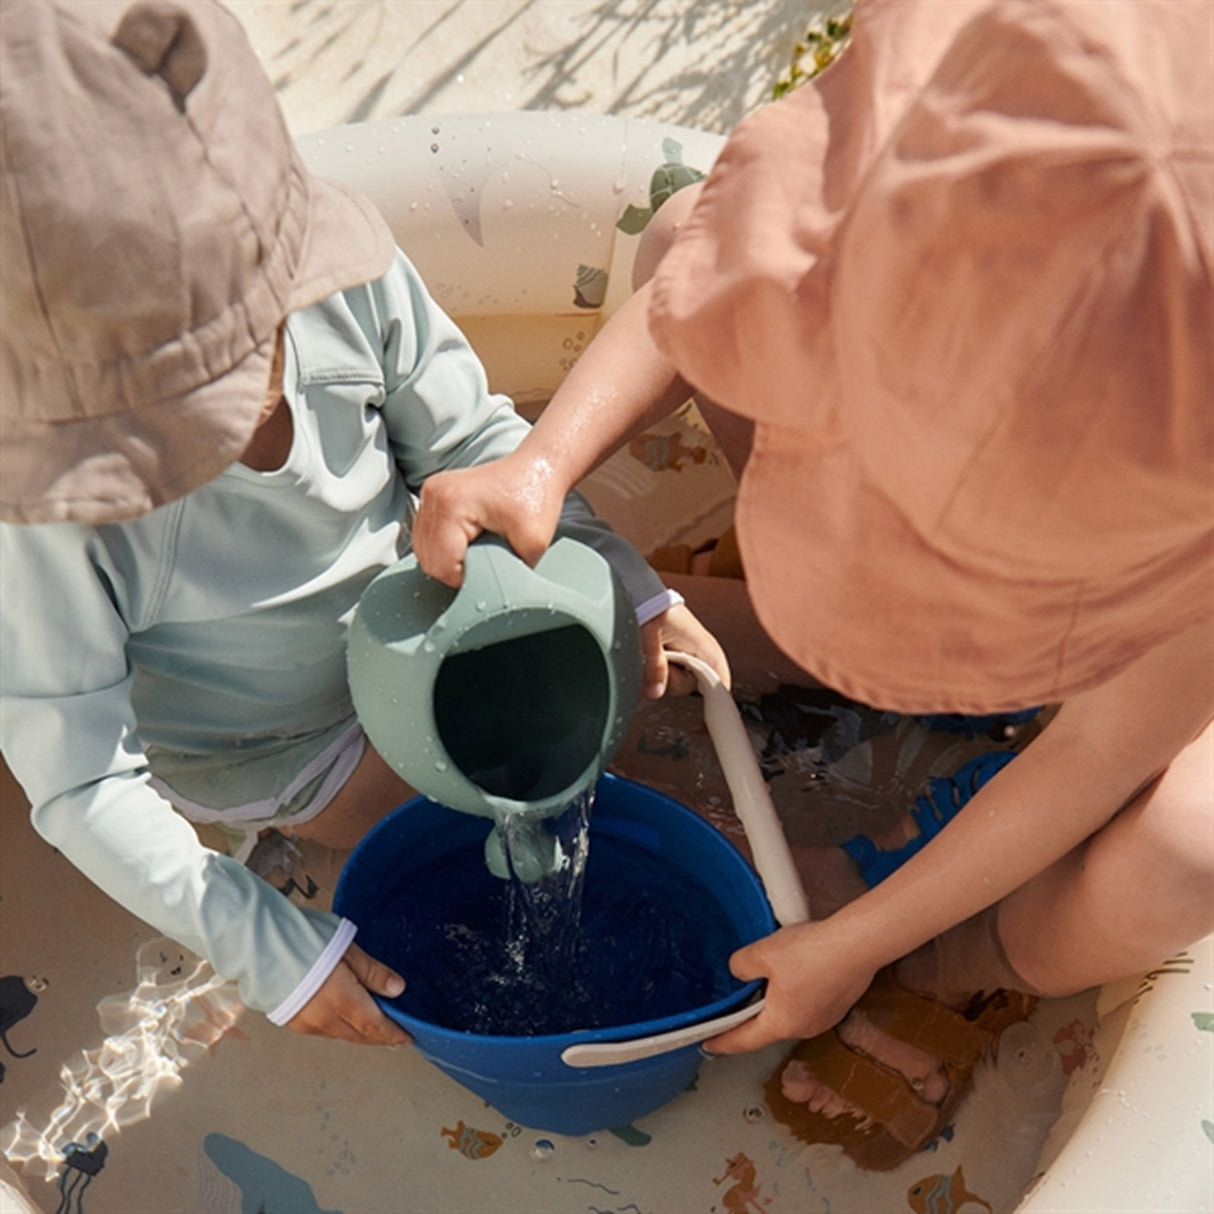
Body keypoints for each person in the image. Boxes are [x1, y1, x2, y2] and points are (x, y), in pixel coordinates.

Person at [410, 0, 1213, 1167]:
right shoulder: (907, 181)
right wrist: (542, 462)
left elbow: (1102, 749)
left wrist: (861, 941)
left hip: (1165, 649)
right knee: (679, 234)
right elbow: (695, 282)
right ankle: (825, 651)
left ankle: (959, 957)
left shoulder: (1184, 529)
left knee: (1190, 844)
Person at [0, 0, 725, 1047]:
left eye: (254, 329)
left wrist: (623, 578)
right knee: (560, 816)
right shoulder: (48, 517)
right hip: (290, 746)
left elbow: (478, 444)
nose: (252, 374)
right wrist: (270, 948)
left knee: (668, 657)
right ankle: (781, 884)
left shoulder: (341, 283)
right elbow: (81, 781)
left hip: (434, 602)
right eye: (181, 386)